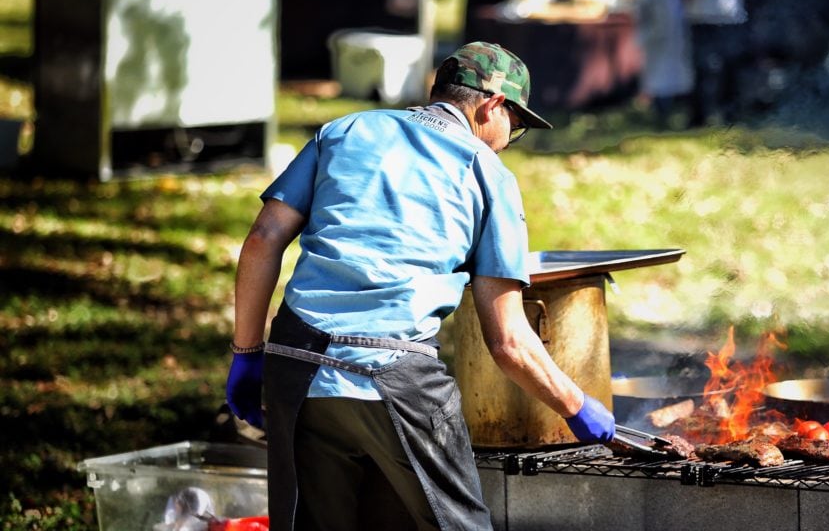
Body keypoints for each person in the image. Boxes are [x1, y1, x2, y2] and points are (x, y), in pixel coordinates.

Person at [225, 41, 616, 531]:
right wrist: (578, 408)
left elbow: (263, 239)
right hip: (398, 376)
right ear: (493, 105)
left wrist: (247, 353)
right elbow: (510, 341)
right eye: (513, 128)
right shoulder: (486, 172)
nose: (506, 141)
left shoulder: (345, 130)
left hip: (297, 365)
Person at [633, 0, 696, 128]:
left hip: (665, 9)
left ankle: (665, 111)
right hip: (659, 4)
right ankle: (660, 110)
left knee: (665, 69)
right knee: (658, 68)